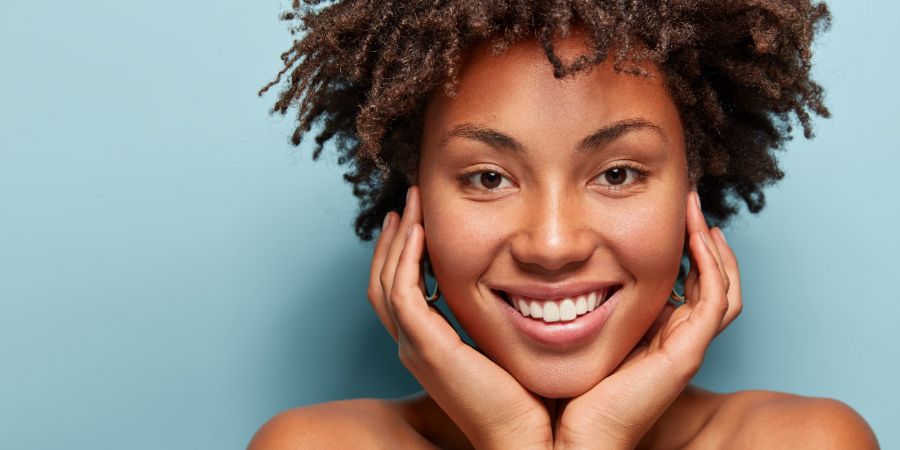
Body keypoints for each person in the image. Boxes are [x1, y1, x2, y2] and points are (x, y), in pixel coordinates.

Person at [249, 1, 878, 448]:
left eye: (618, 173)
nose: (552, 245)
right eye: (489, 178)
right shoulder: (312, 445)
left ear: (693, 190)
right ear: (416, 205)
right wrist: (510, 438)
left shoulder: (809, 442)